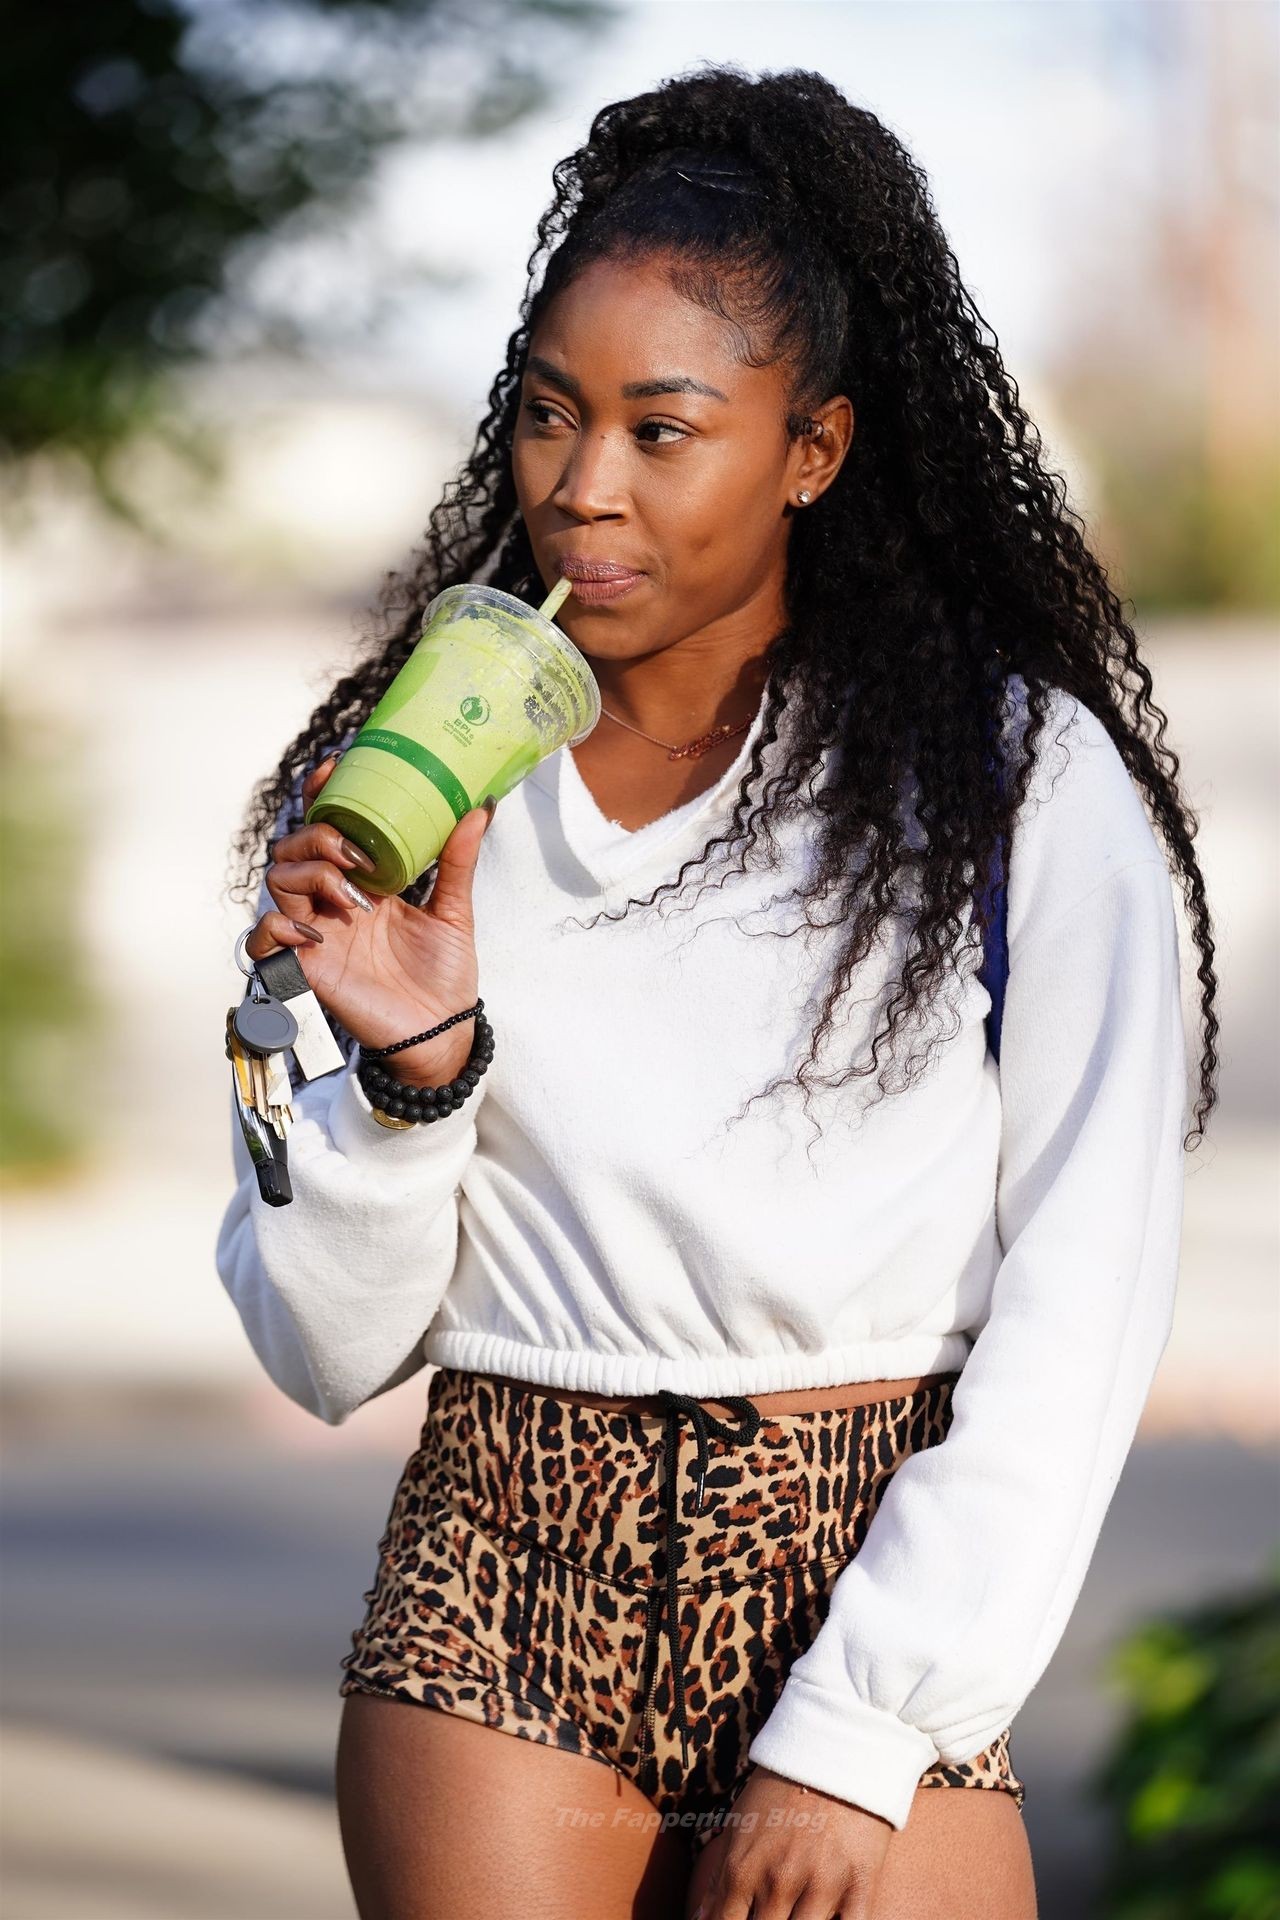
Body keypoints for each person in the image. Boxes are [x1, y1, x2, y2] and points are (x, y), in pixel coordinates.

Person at [216, 64, 1218, 1920]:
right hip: (507, 1557)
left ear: (813, 448)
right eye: (545, 416)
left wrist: (860, 1726)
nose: (583, 490)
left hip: (861, 1552)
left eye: (661, 429)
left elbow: (1087, 1297)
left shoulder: (1016, 779)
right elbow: (322, 1350)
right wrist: (412, 1074)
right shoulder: (404, 796)